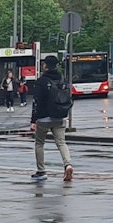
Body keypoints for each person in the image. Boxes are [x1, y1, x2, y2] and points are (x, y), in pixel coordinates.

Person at [28, 54, 74, 182]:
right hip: (59, 116)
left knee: (39, 143)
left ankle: (41, 171)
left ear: (45, 66)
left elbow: (36, 101)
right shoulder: (62, 79)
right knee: (61, 142)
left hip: (43, 118)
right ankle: (68, 164)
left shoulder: (42, 81)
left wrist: (33, 121)